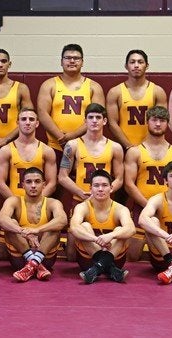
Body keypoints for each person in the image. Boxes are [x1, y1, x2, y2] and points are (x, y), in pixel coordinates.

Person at [58, 103, 124, 260]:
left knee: (107, 244)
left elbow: (120, 178)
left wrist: (104, 192)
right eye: (91, 117)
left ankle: (103, 263)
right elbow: (62, 176)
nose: (94, 121)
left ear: (105, 121)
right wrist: (81, 192)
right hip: (80, 201)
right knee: (71, 256)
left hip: (105, 204)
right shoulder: (72, 145)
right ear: (85, 121)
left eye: (98, 117)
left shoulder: (115, 147)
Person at [124, 106, 172, 261]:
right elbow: (129, 184)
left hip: (169, 209)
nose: (158, 124)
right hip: (141, 206)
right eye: (154, 120)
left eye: (162, 121)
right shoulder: (135, 151)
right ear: (147, 122)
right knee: (132, 256)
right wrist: (148, 206)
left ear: (167, 124)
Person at [0, 167, 67, 282]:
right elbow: (2, 219)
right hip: (20, 257)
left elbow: (62, 220)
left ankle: (31, 265)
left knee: (54, 226)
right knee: (11, 223)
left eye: (37, 181)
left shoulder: (53, 203)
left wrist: (37, 230)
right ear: (23, 185)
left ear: (44, 184)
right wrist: (23, 232)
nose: (33, 185)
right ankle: (35, 264)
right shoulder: (13, 201)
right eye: (29, 182)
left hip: (45, 256)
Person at [69, 169, 135, 284]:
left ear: (111, 188)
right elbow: (74, 228)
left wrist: (111, 236)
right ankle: (111, 269)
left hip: (116, 258)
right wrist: (97, 239)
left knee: (121, 230)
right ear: (90, 189)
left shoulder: (121, 209)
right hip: (87, 259)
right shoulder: (82, 207)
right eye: (96, 185)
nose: (100, 189)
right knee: (84, 226)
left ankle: (95, 270)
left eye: (104, 185)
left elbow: (131, 229)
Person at [37, 43, 105, 154]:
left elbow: (98, 117)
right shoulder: (49, 85)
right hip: (56, 145)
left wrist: (72, 136)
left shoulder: (94, 87)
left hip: (86, 145)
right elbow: (42, 113)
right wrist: (61, 137)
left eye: (76, 58)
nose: (72, 61)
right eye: (68, 58)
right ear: (61, 62)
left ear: (82, 62)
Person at [105, 49, 167, 149]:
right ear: (126, 66)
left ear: (147, 66)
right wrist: (129, 146)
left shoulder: (157, 91)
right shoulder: (115, 92)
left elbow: (161, 122)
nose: (136, 65)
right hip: (125, 147)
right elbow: (112, 123)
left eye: (140, 62)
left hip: (150, 148)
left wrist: (145, 147)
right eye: (132, 62)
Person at [0, 108, 57, 198]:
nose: (27, 122)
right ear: (17, 123)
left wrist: (35, 201)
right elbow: (0, 183)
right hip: (14, 203)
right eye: (23, 119)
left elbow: (52, 184)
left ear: (37, 123)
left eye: (31, 119)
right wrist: (15, 203)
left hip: (39, 203)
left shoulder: (47, 151)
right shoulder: (6, 150)